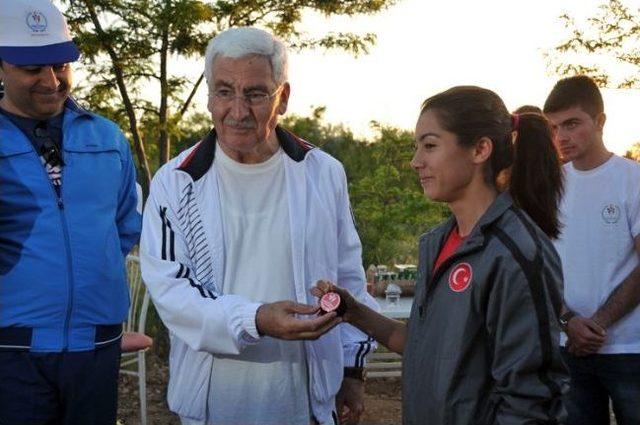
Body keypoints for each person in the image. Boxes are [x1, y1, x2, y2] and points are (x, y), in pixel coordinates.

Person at [140, 27, 377, 425]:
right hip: (214, 403)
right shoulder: (175, 182)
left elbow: (348, 279)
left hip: (307, 401)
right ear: (209, 96)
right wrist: (255, 319)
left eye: (254, 93)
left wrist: (352, 371)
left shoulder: (323, 173)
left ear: (282, 98)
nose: (237, 110)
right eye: (224, 91)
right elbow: (172, 291)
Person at [314, 86, 568, 424]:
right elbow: (421, 345)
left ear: (480, 149)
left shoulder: (515, 254)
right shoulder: (437, 243)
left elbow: (531, 401)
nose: (416, 161)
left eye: (430, 145)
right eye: (416, 146)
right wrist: (353, 310)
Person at [0, 0, 142, 424]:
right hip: (12, 349)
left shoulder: (107, 137)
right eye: (33, 68)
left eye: (61, 66)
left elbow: (123, 224)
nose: (51, 81)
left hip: (96, 346)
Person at [544, 75, 640, 425]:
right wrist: (569, 321)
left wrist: (597, 324)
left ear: (600, 121)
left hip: (631, 348)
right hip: (568, 347)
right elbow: (539, 266)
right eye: (554, 127)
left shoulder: (633, 179)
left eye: (572, 124)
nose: (562, 137)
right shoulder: (549, 186)